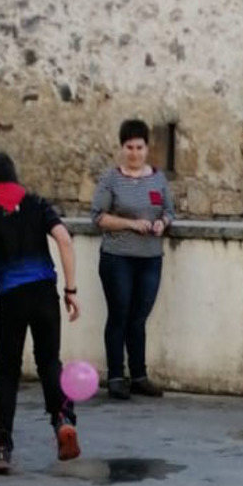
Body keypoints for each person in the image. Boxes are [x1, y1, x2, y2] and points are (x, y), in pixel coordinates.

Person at [0, 152, 82, 474]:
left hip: (9, 298)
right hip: (44, 293)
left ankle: (1, 447)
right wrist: (70, 290)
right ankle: (63, 420)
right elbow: (65, 240)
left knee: (7, 372)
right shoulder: (37, 203)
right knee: (49, 361)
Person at [91, 119, 175, 400]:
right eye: (130, 147)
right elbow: (98, 217)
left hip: (150, 258)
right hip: (118, 258)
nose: (135, 153)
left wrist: (163, 222)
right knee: (119, 315)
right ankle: (116, 376)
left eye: (140, 147)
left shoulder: (158, 179)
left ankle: (139, 376)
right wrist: (130, 224)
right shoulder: (111, 179)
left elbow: (169, 211)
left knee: (139, 318)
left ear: (147, 148)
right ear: (122, 148)